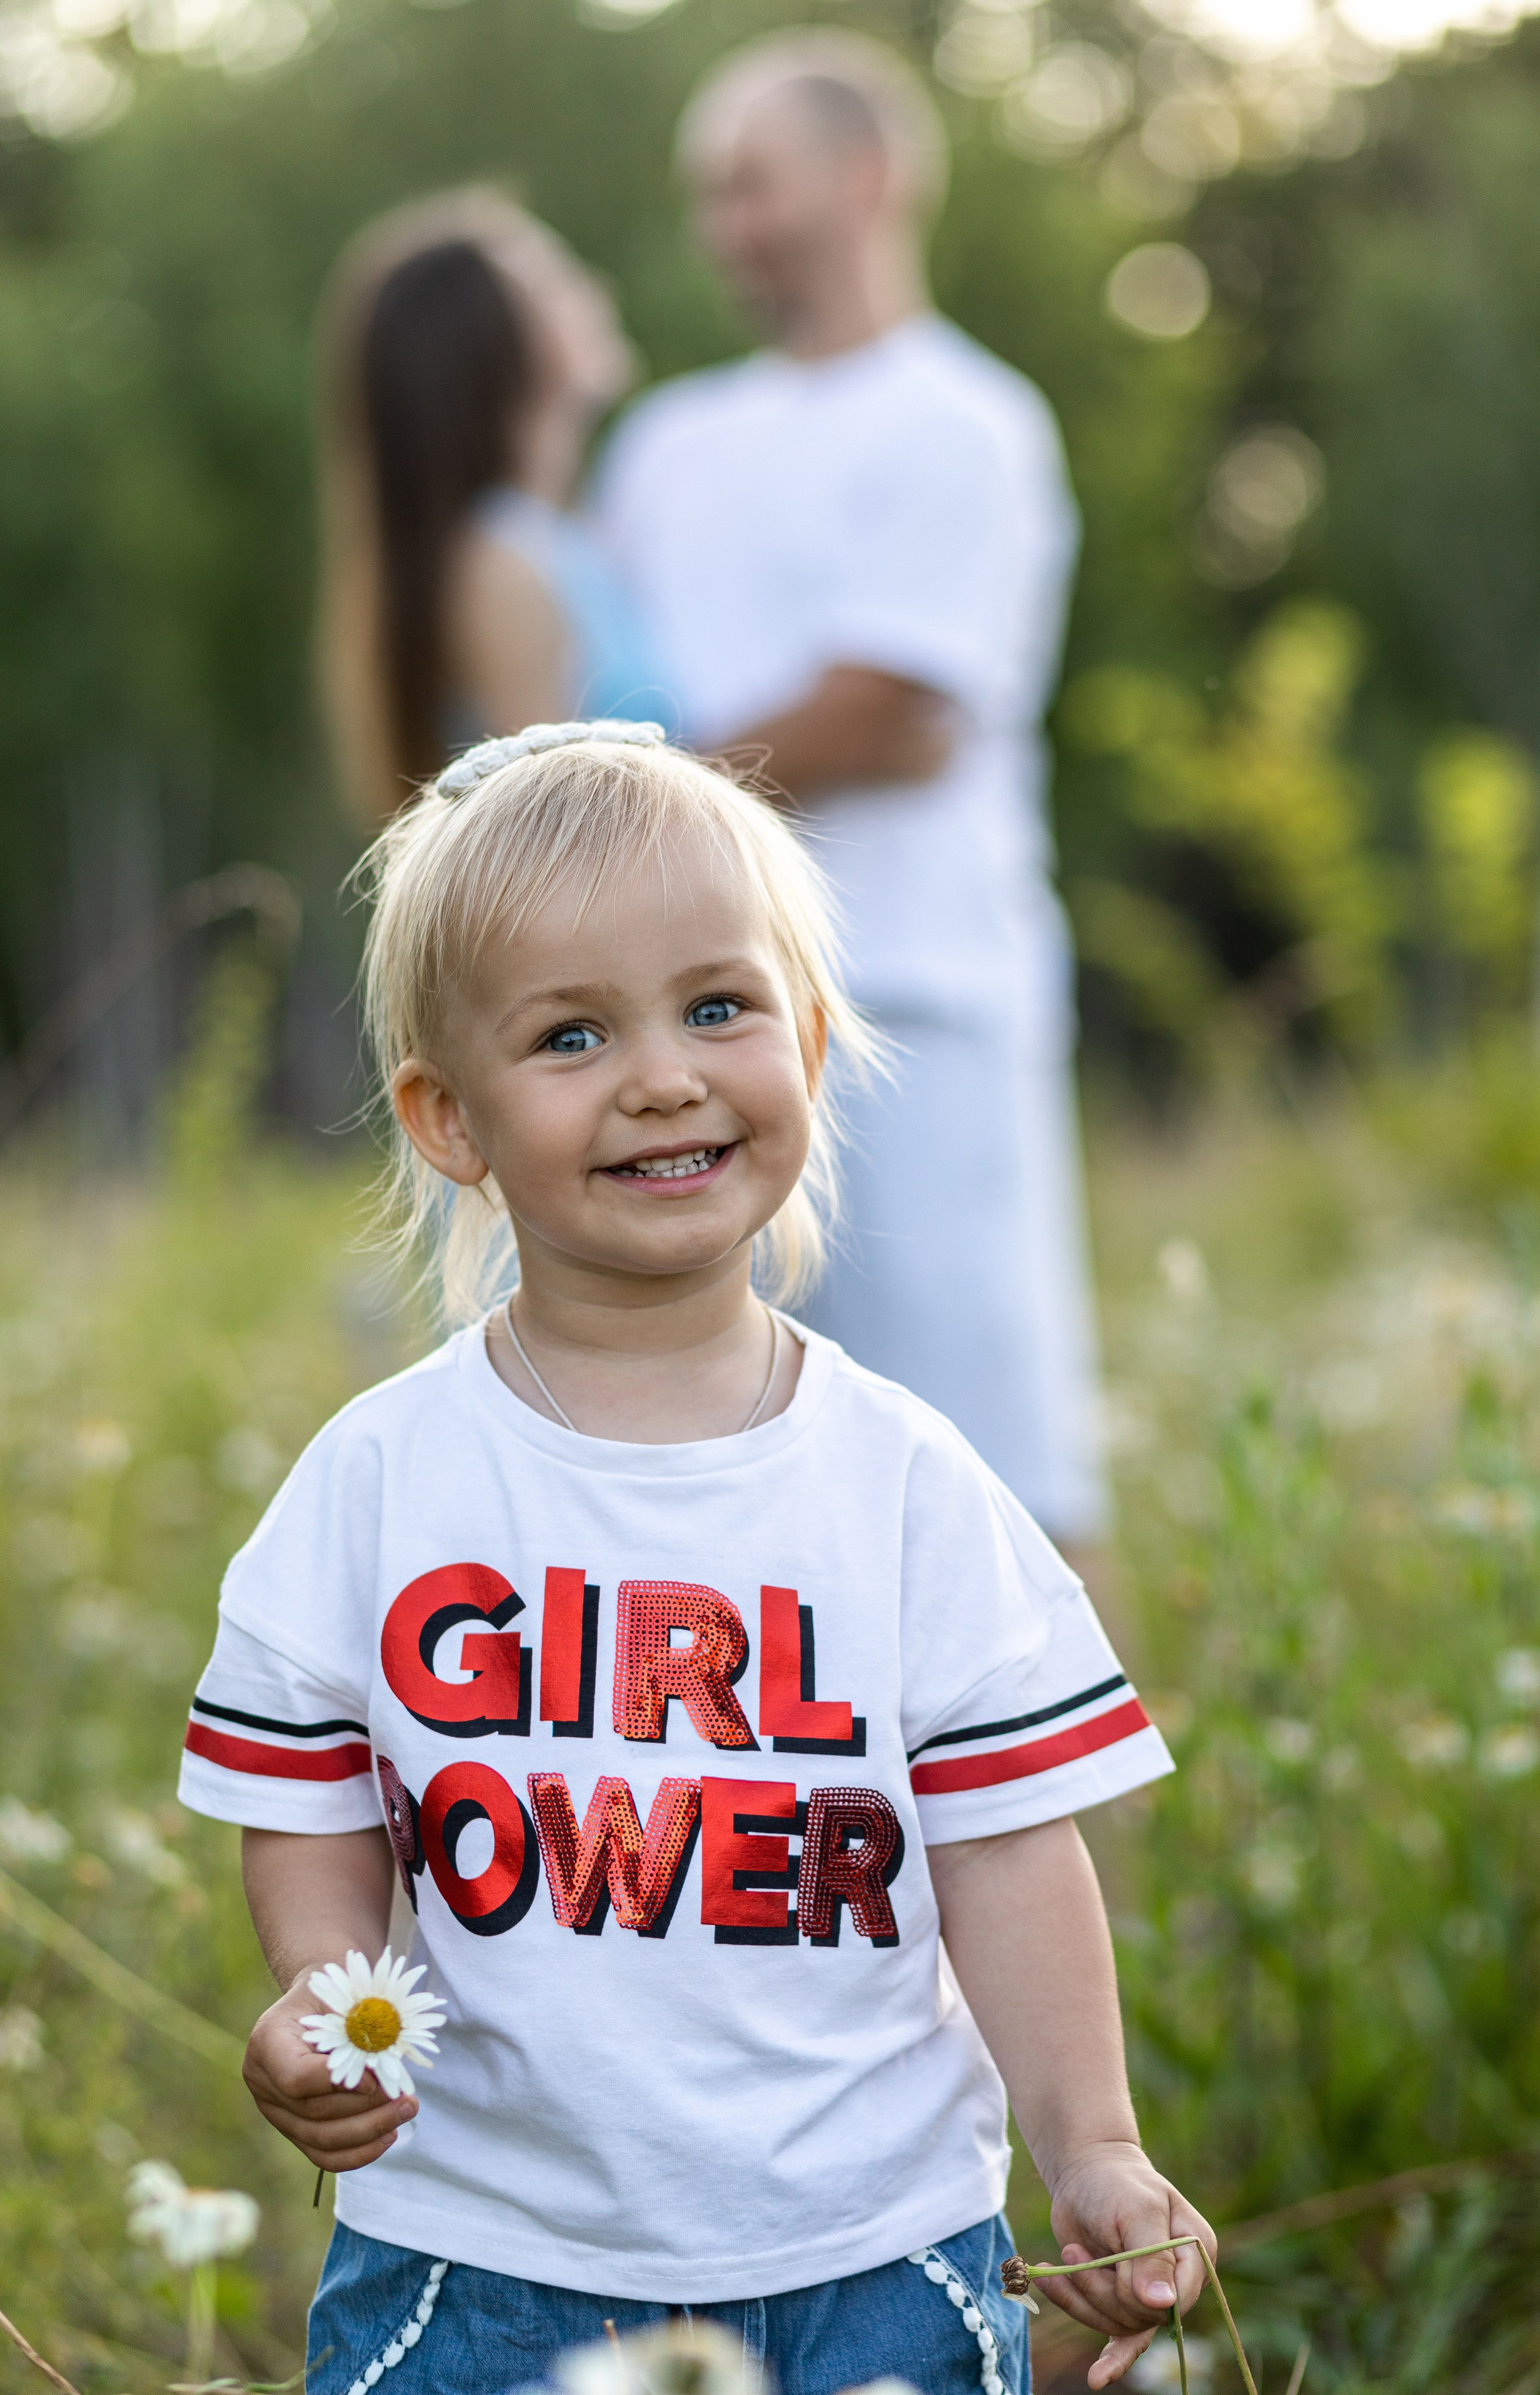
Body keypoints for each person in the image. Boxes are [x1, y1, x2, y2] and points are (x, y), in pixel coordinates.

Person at [177, 723, 1209, 2395]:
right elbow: (307, 1785)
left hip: (869, 2253)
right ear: (449, 1118)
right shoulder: (383, 1477)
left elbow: (1007, 1850)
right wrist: (321, 1992)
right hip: (481, 2258)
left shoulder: (904, 1481)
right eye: (571, 1034)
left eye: (718, 1008)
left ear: (808, 1040)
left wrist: (1090, 2140)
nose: (663, 1076)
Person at [597, 32, 1105, 1555]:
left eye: (750, 184)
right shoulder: (664, 445)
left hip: (913, 1016)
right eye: (708, 194)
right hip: (684, 1039)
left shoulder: (964, 420)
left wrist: (623, 809)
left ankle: (1073, 1730)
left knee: (984, 1487)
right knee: (713, 1494)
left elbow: (893, 712)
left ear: (868, 176)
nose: (724, 227)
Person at [319, 190, 666, 826]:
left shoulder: (547, 541)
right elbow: (548, 838)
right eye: (558, 281)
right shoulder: (502, 568)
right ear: (493, 344)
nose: (596, 290)